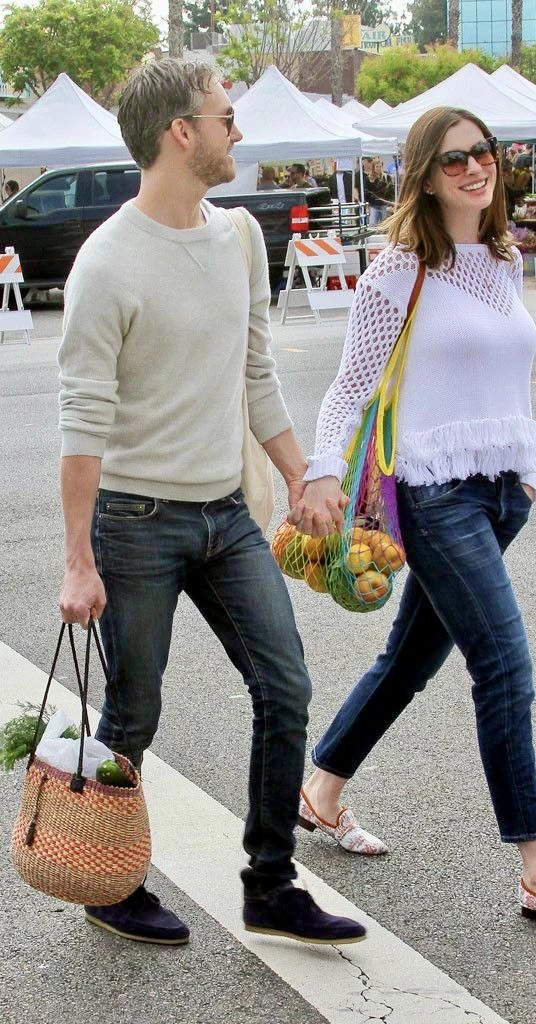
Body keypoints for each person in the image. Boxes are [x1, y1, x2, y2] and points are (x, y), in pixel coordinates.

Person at [57, 58, 365, 949]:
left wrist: (307, 476)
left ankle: (269, 883)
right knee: (134, 713)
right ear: (178, 133)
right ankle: (111, 882)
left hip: (226, 513)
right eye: (225, 118)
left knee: (287, 686)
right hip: (135, 521)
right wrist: (78, 559)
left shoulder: (236, 240)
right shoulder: (107, 262)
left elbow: (256, 375)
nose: (239, 132)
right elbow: (83, 422)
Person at [289, 106, 536, 924]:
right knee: (504, 665)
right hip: (435, 495)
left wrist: (530, 472)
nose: (475, 169)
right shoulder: (398, 270)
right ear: (422, 176)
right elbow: (348, 386)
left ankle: (321, 790)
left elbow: (508, 378)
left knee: (410, 658)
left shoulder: (503, 260)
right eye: (452, 161)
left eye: (484, 153)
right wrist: (322, 469)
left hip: (504, 493)